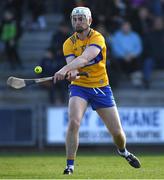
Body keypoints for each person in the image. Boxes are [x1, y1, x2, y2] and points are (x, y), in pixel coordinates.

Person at [53, 7, 141, 175]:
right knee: (74, 122)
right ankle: (69, 166)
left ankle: (123, 151)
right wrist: (71, 74)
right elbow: (74, 68)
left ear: (90, 21)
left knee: (118, 134)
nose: (78, 22)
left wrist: (64, 69)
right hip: (80, 88)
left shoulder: (97, 37)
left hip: (101, 87)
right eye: (75, 19)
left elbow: (85, 58)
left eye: (81, 18)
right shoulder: (68, 44)